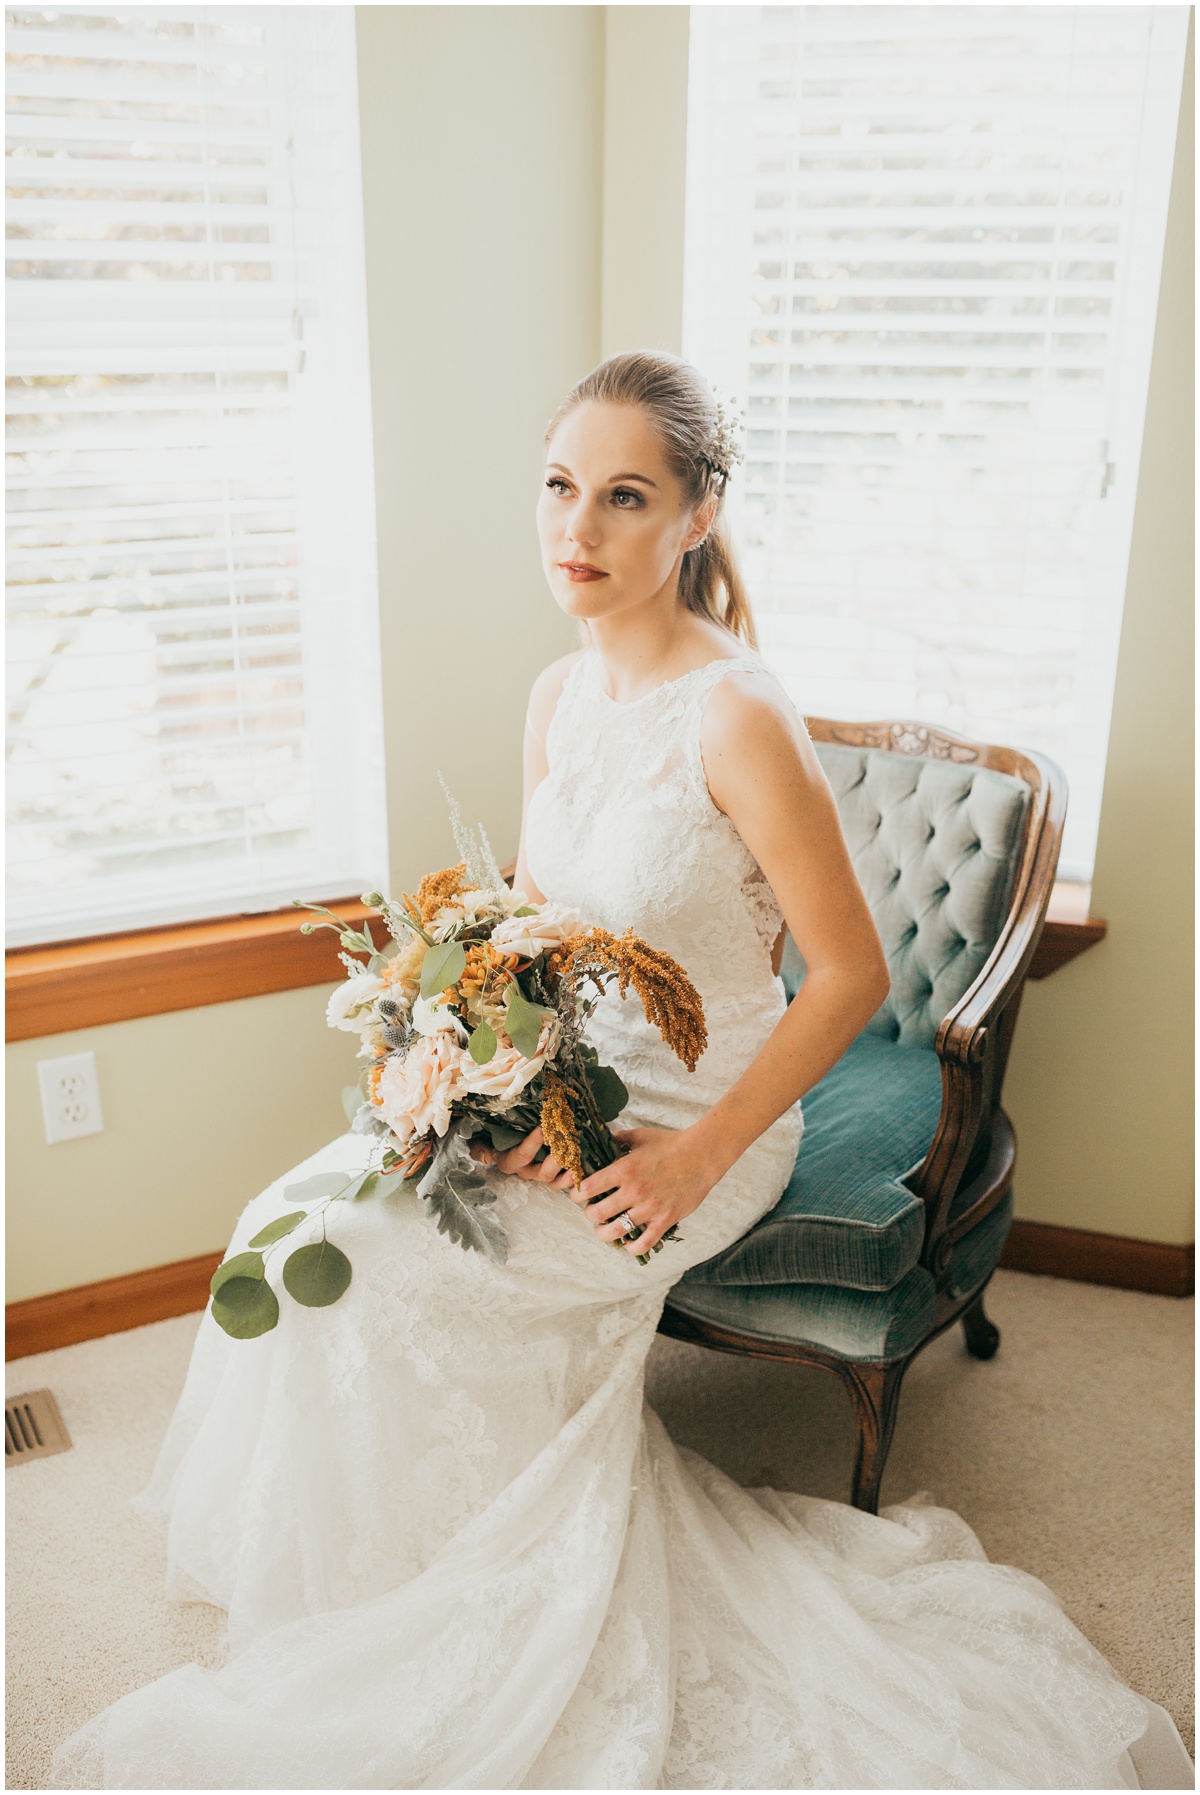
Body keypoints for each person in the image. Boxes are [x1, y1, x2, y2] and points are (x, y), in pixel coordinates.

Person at [51, 351, 1192, 1790]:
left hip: (697, 1124)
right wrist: (494, 1085)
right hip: (571, 1092)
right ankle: (403, 1575)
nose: (575, 531)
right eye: (558, 489)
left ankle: (479, 1599)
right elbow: (539, 935)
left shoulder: (736, 714)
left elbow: (848, 979)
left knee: (404, 1284)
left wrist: (688, 1154)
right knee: (303, 1229)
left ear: (697, 516)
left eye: (624, 497)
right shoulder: (555, 696)